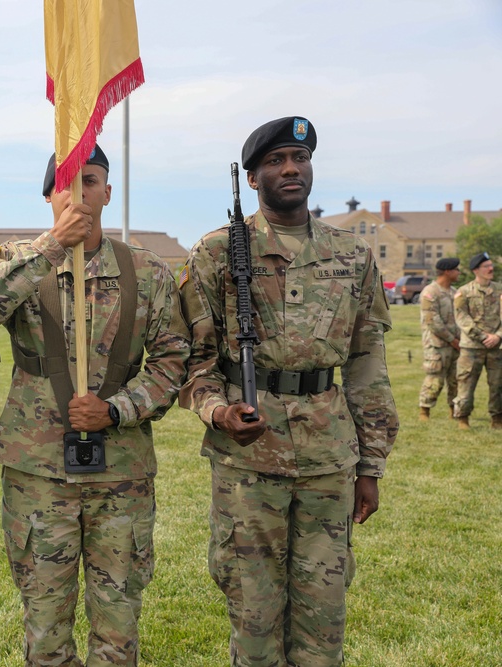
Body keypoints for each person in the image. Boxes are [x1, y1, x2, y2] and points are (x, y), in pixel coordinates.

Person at [177, 116, 399, 667]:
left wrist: (369, 465)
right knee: (253, 606)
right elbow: (193, 360)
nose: (290, 169)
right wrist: (218, 411)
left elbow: (367, 361)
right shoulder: (217, 253)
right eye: (275, 161)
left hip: (328, 457)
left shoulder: (352, 255)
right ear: (253, 179)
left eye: (299, 158)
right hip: (249, 460)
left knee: (324, 607)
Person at [0, 145, 191, 665]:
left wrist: (118, 409)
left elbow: (173, 362)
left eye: (90, 181)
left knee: (118, 623)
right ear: (48, 196)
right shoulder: (13, 261)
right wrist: (50, 248)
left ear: (108, 192)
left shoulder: (148, 272)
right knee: (45, 624)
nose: (79, 194)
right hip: (37, 472)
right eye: (66, 184)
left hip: (121, 473)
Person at [452, 252, 502, 430]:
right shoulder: (463, 292)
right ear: (476, 270)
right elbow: (462, 318)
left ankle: (497, 418)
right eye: (486, 266)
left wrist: (498, 336)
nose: (491, 268)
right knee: (466, 382)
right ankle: (463, 418)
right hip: (471, 347)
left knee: (498, 384)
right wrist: (482, 336)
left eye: (491, 265)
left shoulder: (500, 289)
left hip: (497, 347)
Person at [419, 257, 462, 421]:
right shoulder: (430, 292)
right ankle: (425, 412)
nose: (459, 272)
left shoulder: (454, 292)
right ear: (447, 271)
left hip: (456, 345)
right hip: (436, 346)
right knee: (434, 380)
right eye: (456, 270)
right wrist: (452, 340)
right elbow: (433, 321)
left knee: (456, 380)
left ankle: (454, 412)